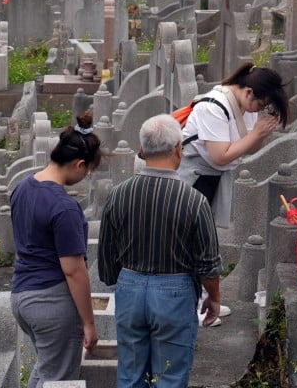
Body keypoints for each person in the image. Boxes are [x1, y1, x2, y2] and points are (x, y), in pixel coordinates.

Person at [99, 114, 222, 388]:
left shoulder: (118, 194)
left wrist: (118, 282)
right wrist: (213, 297)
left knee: (131, 376)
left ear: (142, 151)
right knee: (170, 377)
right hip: (175, 292)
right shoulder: (194, 201)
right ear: (179, 148)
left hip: (129, 286)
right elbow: (208, 262)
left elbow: (107, 255)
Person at [10, 112, 103, 388]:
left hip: (21, 296)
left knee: (45, 371)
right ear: (79, 164)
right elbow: (74, 271)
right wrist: (89, 322)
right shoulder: (64, 207)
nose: (85, 177)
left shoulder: (22, 187)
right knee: (59, 380)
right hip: (51, 302)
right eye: (87, 172)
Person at [178, 62, 288, 225]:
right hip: (192, 179)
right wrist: (257, 133)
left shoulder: (246, 105)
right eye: (260, 105)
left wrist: (261, 134)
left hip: (214, 178)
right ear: (249, 92)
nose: (259, 110)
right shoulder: (213, 106)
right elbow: (220, 156)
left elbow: (248, 147)